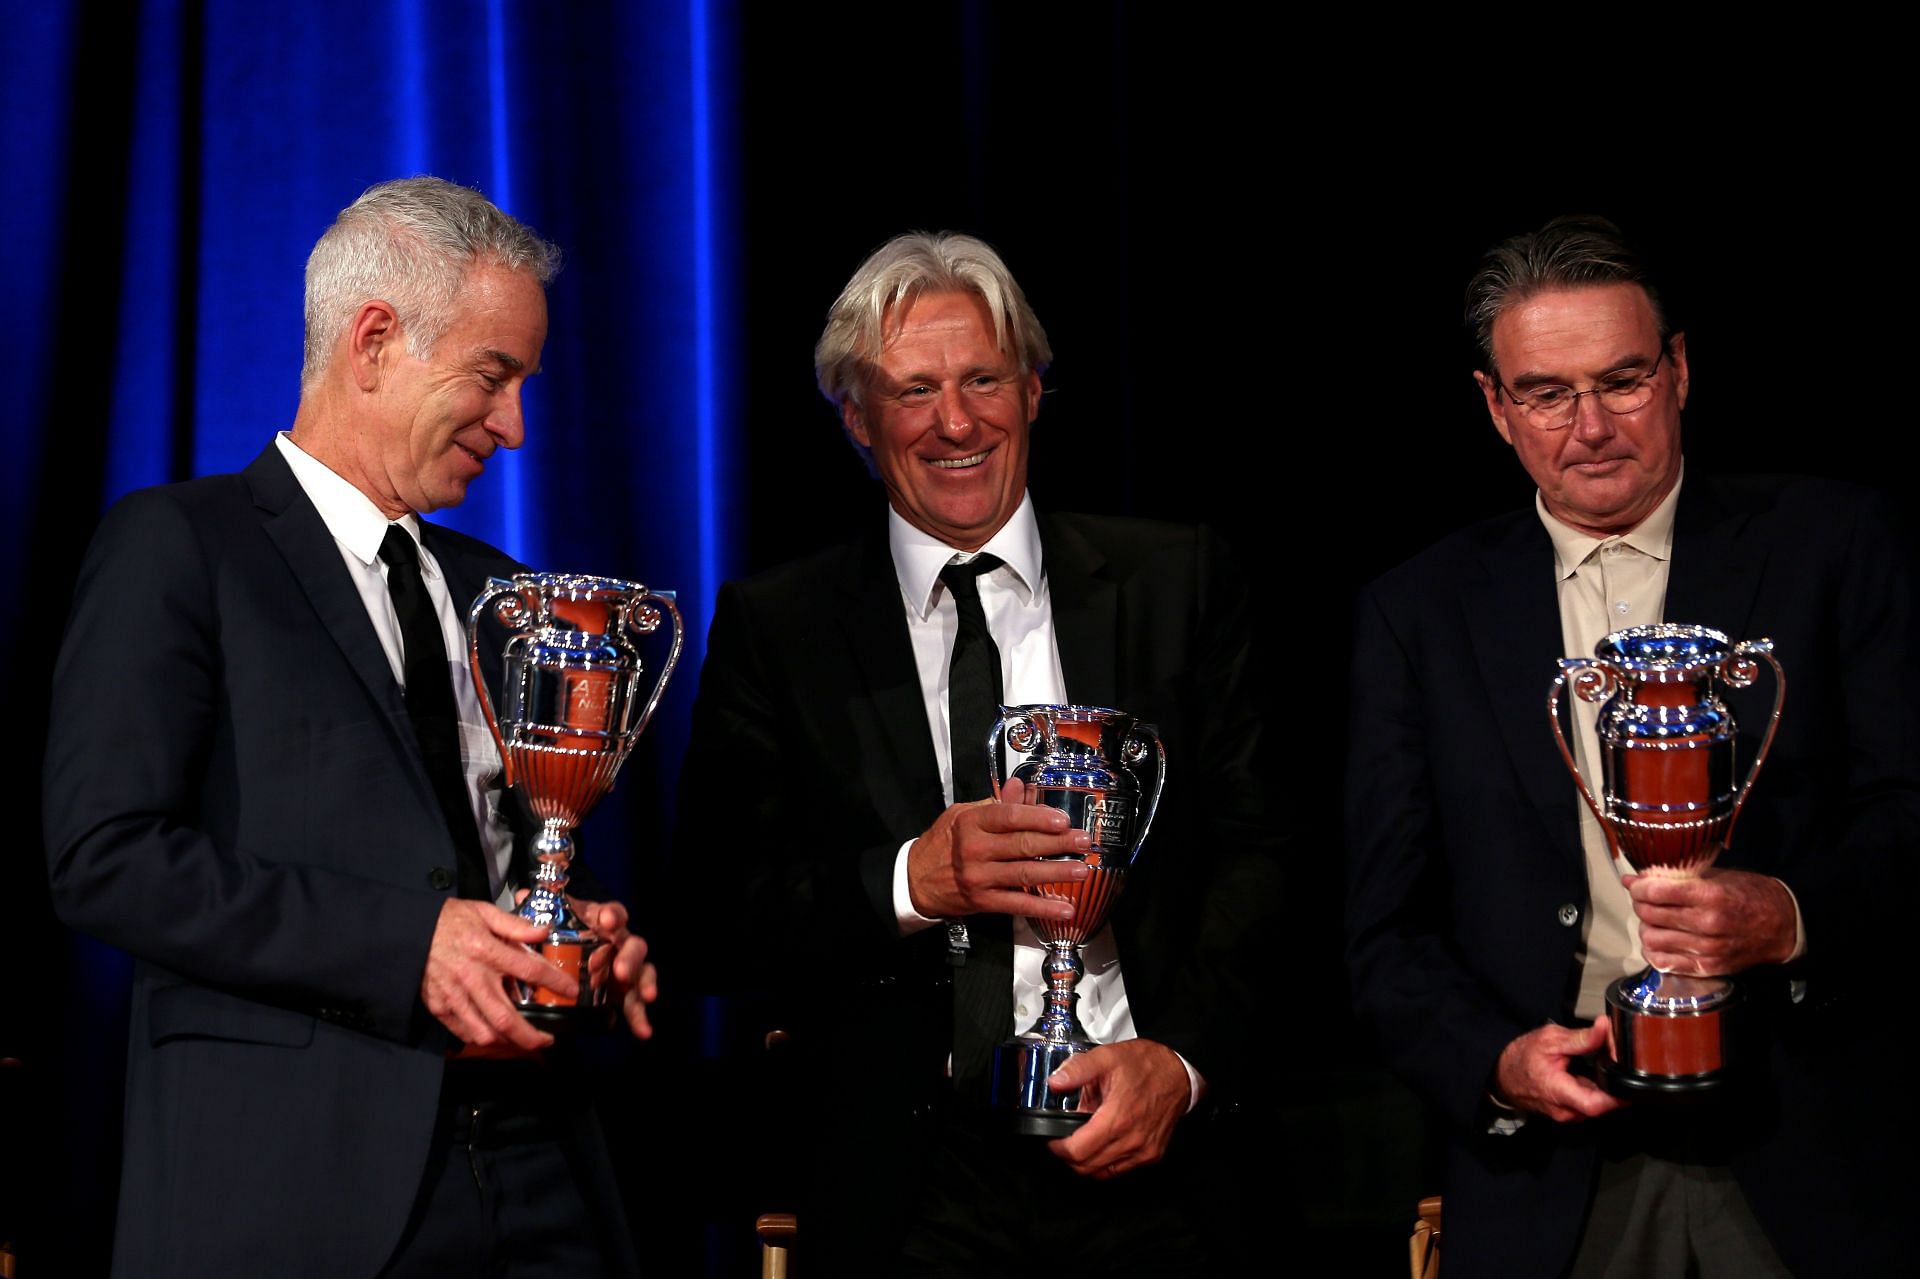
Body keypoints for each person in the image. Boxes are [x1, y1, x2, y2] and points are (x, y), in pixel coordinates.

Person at [43, 177, 656, 1278]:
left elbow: (507, 863)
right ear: (375, 340)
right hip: (295, 1192)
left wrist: (576, 945)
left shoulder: (503, 596)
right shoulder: (183, 547)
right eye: (493, 375)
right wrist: (408, 945)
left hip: (540, 1174)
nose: (515, 427)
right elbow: (105, 857)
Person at [674, 231, 1281, 1273]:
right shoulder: (781, 626)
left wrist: (1178, 1066)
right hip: (912, 1189)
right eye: (913, 390)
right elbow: (718, 914)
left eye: (984, 378)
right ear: (857, 421)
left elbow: (1266, 853)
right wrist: (918, 877)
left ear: (1036, 390)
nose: (956, 421)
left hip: (1159, 1163)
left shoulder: (1177, 581)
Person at [1345, 215, 1917, 1277]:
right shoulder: (1417, 613)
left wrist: (1787, 915)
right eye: (1548, 393)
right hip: (1551, 1179)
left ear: (1681, 371)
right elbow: (1386, 930)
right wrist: (1497, 1064)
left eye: (1623, 381)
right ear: (1495, 408)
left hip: (1808, 1152)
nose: (1591, 425)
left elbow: (1910, 816)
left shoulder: (1833, 546)